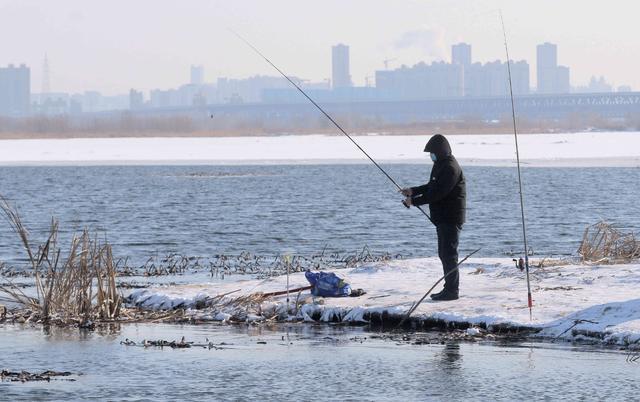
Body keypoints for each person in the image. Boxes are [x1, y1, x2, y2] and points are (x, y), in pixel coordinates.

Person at [401, 134, 466, 301]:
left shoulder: (451, 168)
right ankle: (448, 288)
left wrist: (413, 202)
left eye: (433, 153)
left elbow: (438, 193)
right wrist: (413, 191)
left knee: (449, 254)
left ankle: (452, 291)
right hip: (441, 218)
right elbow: (431, 186)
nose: (431, 156)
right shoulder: (440, 165)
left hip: (450, 218)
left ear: (441, 151)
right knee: (443, 253)